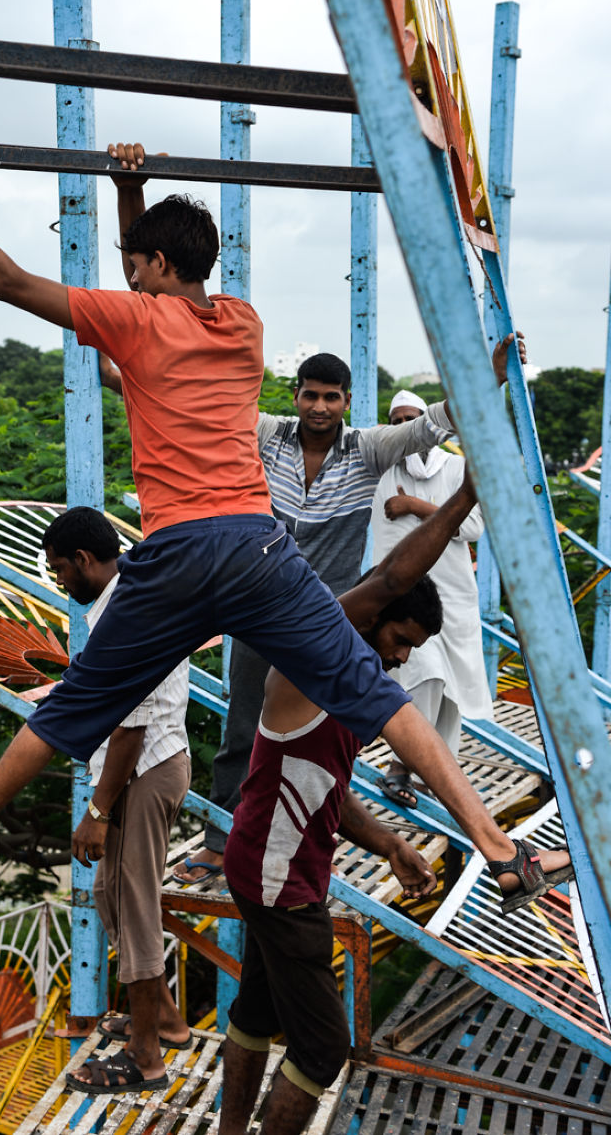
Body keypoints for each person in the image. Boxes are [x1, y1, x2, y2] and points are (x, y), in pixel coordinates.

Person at [0, 127, 569, 965]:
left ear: (155, 266)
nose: (130, 275)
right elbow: (153, 285)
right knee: (373, 698)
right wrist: (133, 199)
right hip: (258, 548)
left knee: (71, 710)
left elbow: (6, 280)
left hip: (176, 556)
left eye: (138, 261)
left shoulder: (136, 321)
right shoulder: (241, 323)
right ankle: (501, 850)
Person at [218, 467, 568, 1135]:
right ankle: (505, 852)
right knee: (321, 1052)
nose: (402, 660)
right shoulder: (306, 661)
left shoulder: (346, 690)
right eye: (399, 640)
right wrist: (465, 497)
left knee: (257, 1014)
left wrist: (390, 843)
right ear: (370, 622)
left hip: (272, 867)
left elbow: (319, 788)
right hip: (279, 881)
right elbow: (387, 581)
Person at [176, 343, 521, 884]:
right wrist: (120, 369)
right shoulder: (267, 434)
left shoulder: (368, 449)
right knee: (244, 724)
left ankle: (312, 841)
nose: (319, 407)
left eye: (330, 397)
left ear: (346, 401)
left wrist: (492, 377)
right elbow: (198, 406)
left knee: (329, 735)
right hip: (257, 605)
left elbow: (433, 424)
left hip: (326, 616)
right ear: (295, 397)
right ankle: (223, 840)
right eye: (310, 395)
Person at [40, 506, 192, 1095]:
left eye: (60, 571)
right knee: (110, 893)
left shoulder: (120, 614)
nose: (59, 582)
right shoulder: (127, 595)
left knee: (134, 906)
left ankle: (146, 1058)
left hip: (143, 770)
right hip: (145, 766)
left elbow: (129, 728)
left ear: (82, 560)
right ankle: (168, 1020)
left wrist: (98, 813)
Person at [371, 389, 493, 808]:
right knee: (425, 671)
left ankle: (434, 771)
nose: (407, 426)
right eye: (398, 419)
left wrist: (413, 505)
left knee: (450, 689)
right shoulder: (382, 467)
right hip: (404, 596)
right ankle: (403, 763)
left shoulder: (457, 466)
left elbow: (473, 525)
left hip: (452, 594)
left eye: (413, 418)